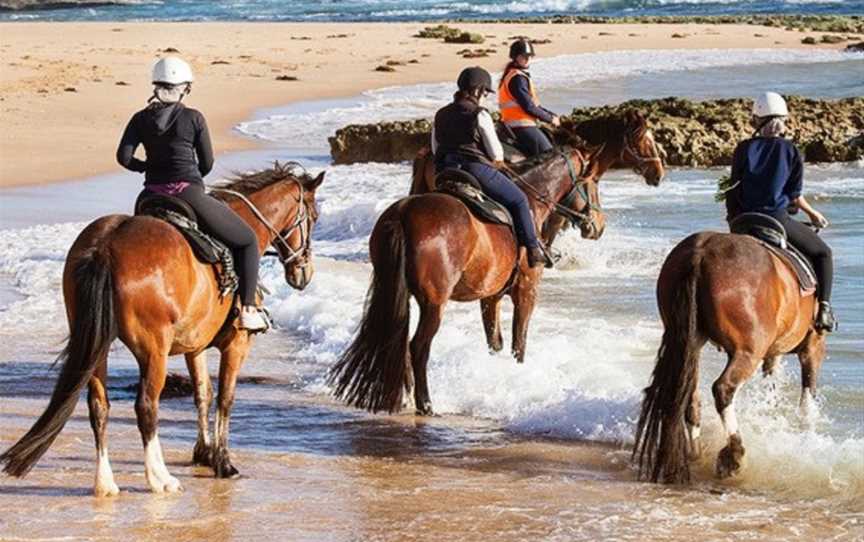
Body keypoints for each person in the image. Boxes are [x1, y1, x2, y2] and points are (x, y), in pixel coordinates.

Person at [116, 56, 269, 331]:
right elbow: (207, 163)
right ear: (185, 88)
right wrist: (188, 176)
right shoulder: (193, 117)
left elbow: (124, 158)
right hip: (187, 194)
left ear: (156, 86)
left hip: (149, 197)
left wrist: (148, 168)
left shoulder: (139, 119)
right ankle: (248, 310)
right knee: (247, 241)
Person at [731, 91, 837, 332]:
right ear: (783, 120)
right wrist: (813, 214)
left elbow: (732, 188)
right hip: (776, 220)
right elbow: (794, 196)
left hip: (744, 220)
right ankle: (824, 311)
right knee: (823, 254)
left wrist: (734, 221)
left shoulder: (743, 149)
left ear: (757, 120)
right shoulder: (791, 151)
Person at [431, 66, 548, 268]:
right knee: (519, 199)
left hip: (446, 171)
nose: (486, 96)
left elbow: (435, 147)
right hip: (474, 170)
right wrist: (498, 162)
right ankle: (533, 249)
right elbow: (496, 153)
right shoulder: (479, 114)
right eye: (485, 92)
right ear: (477, 90)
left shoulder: (440, 114)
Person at [498, 39, 560, 158]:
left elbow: (534, 105)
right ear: (515, 57)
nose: (527, 59)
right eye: (523, 56)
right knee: (549, 156)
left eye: (530, 56)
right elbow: (528, 107)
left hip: (518, 124)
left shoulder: (513, 74)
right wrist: (550, 119)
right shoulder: (518, 78)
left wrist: (551, 115)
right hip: (521, 126)